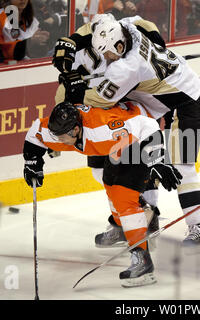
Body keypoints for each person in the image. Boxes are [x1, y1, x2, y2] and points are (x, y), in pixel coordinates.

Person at [52, 14, 200, 254]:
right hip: (175, 89)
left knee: (180, 164)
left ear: (119, 46)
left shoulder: (127, 67)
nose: (106, 59)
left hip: (185, 102)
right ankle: (148, 218)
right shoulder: (128, 28)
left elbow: (101, 98)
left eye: (108, 54)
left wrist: (75, 91)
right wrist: (74, 40)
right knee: (146, 155)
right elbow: (142, 23)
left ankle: (198, 228)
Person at [23, 100, 182, 287]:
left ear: (75, 130)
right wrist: (31, 161)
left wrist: (156, 161)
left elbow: (146, 125)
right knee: (110, 184)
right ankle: (132, 226)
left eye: (61, 137)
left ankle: (142, 261)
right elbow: (35, 132)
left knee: (124, 198)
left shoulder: (102, 130)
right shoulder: (59, 129)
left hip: (139, 137)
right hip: (116, 145)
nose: (57, 141)